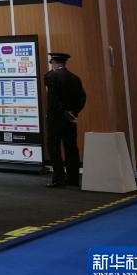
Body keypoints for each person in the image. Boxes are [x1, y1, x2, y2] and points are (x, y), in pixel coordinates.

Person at [44, 52, 86, 188]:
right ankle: (73, 179)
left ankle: (59, 179)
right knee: (71, 148)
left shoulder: (51, 76)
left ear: (54, 62)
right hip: (70, 119)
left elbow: (54, 99)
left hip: (55, 119)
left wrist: (62, 112)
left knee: (54, 148)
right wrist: (73, 112)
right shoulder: (75, 78)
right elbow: (82, 98)